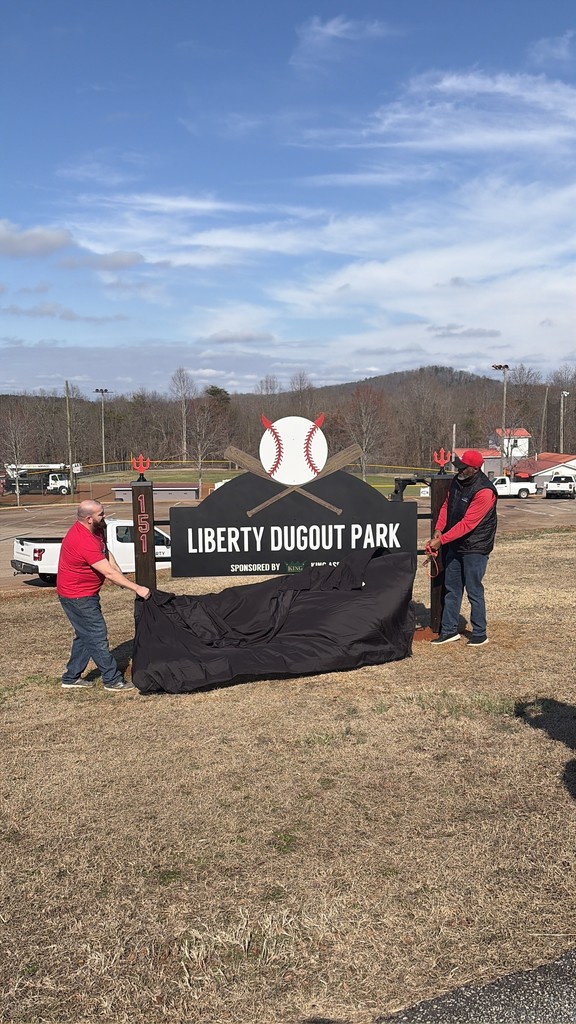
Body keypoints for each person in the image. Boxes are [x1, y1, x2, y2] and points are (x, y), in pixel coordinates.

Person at [57, 499, 151, 690]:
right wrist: (137, 588)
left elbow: (106, 554)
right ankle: (112, 679)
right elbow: (107, 573)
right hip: (77, 596)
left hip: (86, 592)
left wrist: (120, 574)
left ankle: (71, 677)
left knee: (85, 635)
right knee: (97, 635)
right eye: (101, 514)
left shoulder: (97, 530)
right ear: (89, 518)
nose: (104, 516)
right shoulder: (82, 540)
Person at [427, 449, 497, 647]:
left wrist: (442, 541)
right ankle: (449, 631)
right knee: (452, 588)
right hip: (456, 544)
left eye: (463, 467)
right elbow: (446, 506)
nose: (458, 469)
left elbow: (468, 524)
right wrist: (439, 529)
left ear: (474, 469)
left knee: (474, 590)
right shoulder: (457, 482)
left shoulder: (485, 491)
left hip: (476, 546)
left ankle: (480, 633)